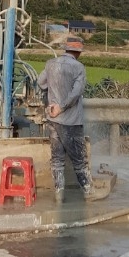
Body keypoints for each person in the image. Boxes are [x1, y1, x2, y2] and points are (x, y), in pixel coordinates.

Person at [37, 35, 95, 203]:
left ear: (66, 49)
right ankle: (88, 192)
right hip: (71, 121)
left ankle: (59, 194)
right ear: (78, 52)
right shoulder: (78, 67)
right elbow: (76, 93)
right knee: (79, 159)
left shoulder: (50, 64)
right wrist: (62, 106)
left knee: (57, 159)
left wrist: (54, 101)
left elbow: (41, 83)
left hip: (52, 119)